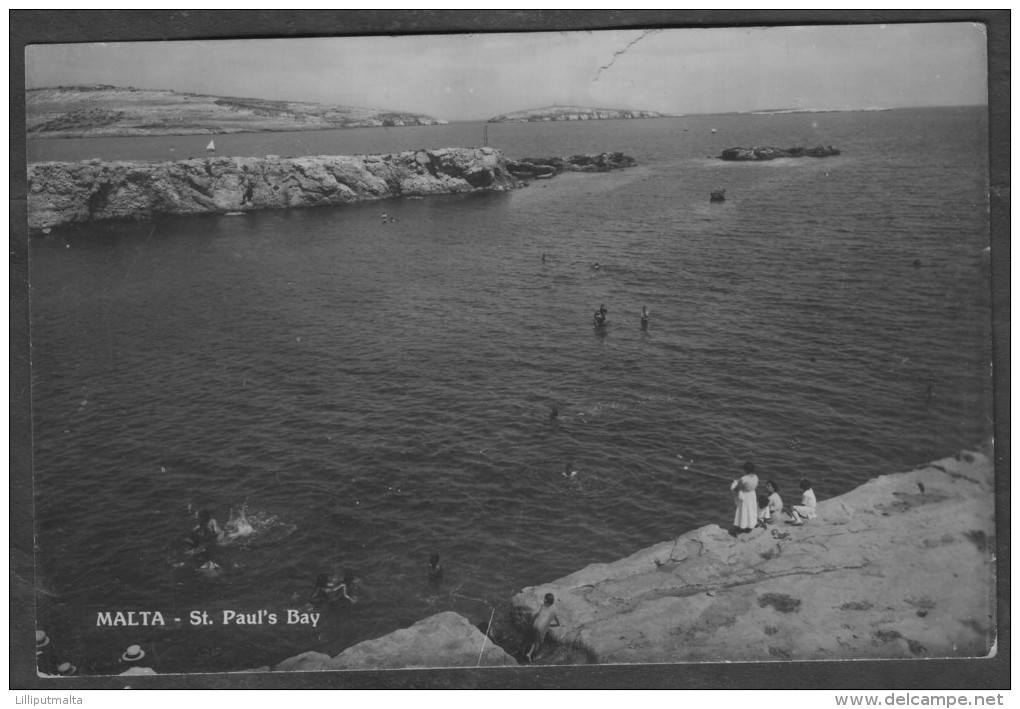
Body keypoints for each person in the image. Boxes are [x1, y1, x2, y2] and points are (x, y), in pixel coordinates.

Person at [526, 593, 561, 662]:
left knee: (535, 640)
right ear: (552, 602)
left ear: (544, 600)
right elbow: (557, 620)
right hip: (540, 628)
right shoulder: (553, 611)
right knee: (540, 643)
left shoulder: (542, 606)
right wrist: (558, 624)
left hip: (534, 624)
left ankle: (529, 654)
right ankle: (536, 656)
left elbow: (540, 614)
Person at [730, 462, 759, 533]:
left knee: (743, 511)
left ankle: (742, 527)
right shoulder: (756, 477)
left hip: (746, 496)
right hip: (752, 495)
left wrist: (734, 484)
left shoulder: (743, 478)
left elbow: (737, 488)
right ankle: (750, 525)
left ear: (745, 469)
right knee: (751, 510)